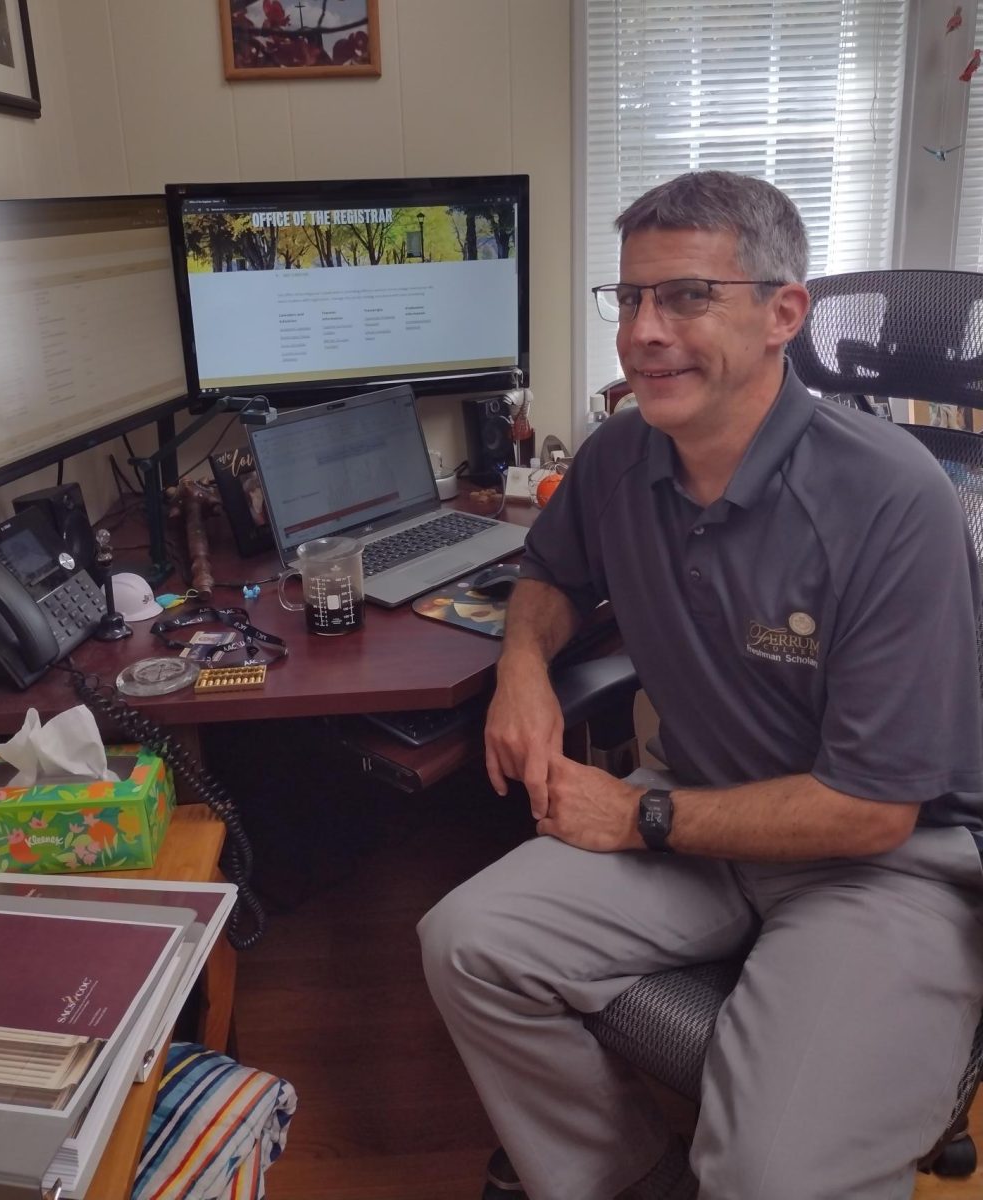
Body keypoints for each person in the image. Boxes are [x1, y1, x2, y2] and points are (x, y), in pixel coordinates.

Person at [417, 171, 983, 1200]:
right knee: (466, 944)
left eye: (685, 297)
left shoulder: (894, 499)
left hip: (886, 865)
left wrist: (641, 818)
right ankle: (629, 1177)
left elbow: (871, 812)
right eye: (629, 298)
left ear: (783, 314)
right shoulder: (624, 452)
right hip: (697, 817)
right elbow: (550, 571)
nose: (643, 331)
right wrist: (522, 672)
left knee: (771, 1174)